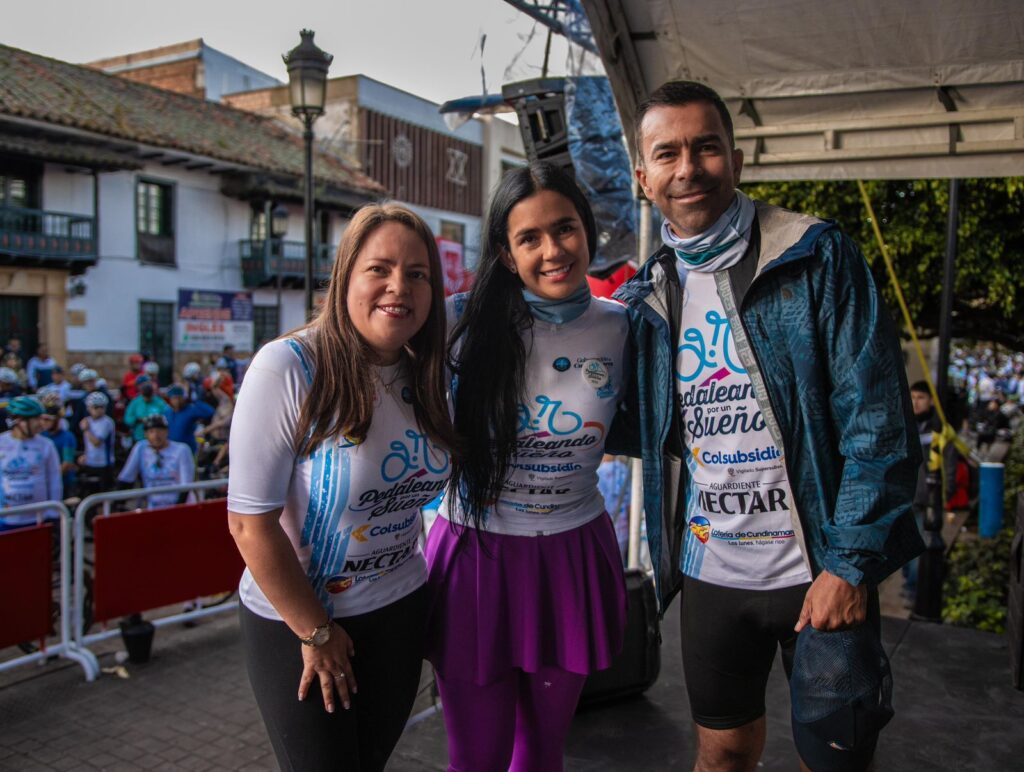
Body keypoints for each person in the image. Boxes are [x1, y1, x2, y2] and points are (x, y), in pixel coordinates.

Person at [611, 81, 923, 771]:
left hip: (816, 567)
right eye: (667, 153)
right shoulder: (649, 294)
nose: (688, 168)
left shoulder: (813, 254)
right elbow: (638, 425)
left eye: (706, 147)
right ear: (643, 177)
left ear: (737, 158)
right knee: (721, 753)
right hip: (713, 574)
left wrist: (849, 564)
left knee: (835, 760)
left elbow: (879, 422)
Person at [226, 203, 456, 772]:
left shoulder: (424, 373)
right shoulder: (288, 367)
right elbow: (248, 524)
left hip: (399, 608)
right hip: (301, 620)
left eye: (417, 273)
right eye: (379, 269)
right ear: (345, 276)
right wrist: (316, 631)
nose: (398, 287)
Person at [427, 162, 628, 772]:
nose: (552, 250)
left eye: (564, 228)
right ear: (507, 254)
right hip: (475, 556)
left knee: (542, 755)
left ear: (587, 231)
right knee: (476, 758)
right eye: (529, 238)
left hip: (570, 556)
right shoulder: (456, 321)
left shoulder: (622, 325)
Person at [0, 396, 62, 530]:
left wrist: (53, 513)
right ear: (20, 421)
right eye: (36, 419)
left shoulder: (46, 445)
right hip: (5, 518)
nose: (41, 424)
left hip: (38, 518)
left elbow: (54, 480)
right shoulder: (1, 442)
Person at [116, 413, 194, 509]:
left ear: (167, 432)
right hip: (154, 508)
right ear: (145, 434)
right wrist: (116, 504)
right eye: (151, 431)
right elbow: (126, 478)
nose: (156, 436)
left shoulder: (182, 450)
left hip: (181, 505)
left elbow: (186, 485)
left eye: (160, 431)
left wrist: (176, 510)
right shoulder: (141, 448)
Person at [77, 391, 117, 499]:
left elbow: (96, 442)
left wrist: (86, 430)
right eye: (96, 407)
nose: (99, 410)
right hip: (90, 463)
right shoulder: (87, 421)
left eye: (102, 407)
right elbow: (87, 444)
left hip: (104, 464)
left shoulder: (107, 422)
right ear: (89, 408)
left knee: (103, 496)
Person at [39, 392, 77, 498]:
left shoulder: (67, 437)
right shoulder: (41, 435)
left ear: (57, 419)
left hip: (63, 483)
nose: (43, 422)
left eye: (47, 420)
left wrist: (48, 479)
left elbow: (67, 463)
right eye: (42, 419)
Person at [164, 384, 215, 454]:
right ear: (170, 399)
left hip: (188, 450)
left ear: (183, 398)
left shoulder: (190, 410)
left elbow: (210, 412)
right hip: (171, 451)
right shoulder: (167, 412)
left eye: (179, 398)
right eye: (174, 398)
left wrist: (194, 400)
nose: (177, 401)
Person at [123, 375, 170, 443]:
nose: (147, 398)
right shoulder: (135, 402)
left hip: (157, 439)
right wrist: (137, 420)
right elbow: (127, 419)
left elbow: (168, 416)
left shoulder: (159, 402)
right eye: (145, 396)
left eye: (149, 396)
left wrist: (156, 420)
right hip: (139, 437)